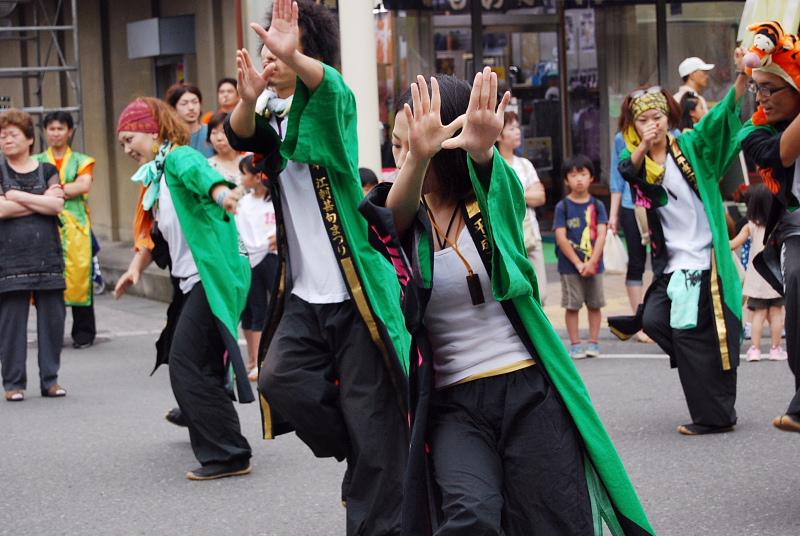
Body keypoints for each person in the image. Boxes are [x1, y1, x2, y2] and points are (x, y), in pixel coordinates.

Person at [361, 68, 654, 535]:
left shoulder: (493, 192)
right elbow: (382, 227)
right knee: (470, 516)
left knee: (553, 519)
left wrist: (481, 151)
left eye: (410, 142)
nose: (399, 155)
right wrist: (417, 155)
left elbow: (504, 204)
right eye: (397, 145)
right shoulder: (404, 216)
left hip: (527, 390)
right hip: (454, 404)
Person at [225, 1, 410, 532]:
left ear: (309, 53)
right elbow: (245, 134)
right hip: (305, 293)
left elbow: (334, 90)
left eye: (285, 47)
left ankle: (374, 474)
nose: (272, 57)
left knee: (375, 433)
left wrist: (297, 60)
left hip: (358, 292)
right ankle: (362, 447)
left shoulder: (336, 101)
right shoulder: (272, 112)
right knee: (280, 379)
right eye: (267, 49)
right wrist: (247, 98)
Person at [114, 97, 254, 480]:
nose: (127, 149)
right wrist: (133, 268)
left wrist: (223, 194)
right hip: (193, 281)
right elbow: (154, 238)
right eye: (123, 143)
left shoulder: (177, 158)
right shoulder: (157, 176)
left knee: (186, 364)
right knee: (199, 364)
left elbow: (202, 174)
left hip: (213, 276)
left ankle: (228, 452)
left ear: (152, 129)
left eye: (130, 139)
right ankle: (224, 442)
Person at [612, 48, 748, 436]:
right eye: (642, 119)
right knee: (655, 321)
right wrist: (641, 145)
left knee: (706, 339)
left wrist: (741, 78)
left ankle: (714, 417)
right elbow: (634, 178)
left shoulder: (689, 147)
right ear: (633, 126)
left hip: (707, 262)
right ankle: (702, 377)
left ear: (668, 116)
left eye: (656, 116)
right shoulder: (638, 161)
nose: (651, 124)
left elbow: (719, 123)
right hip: (673, 267)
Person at [737, 24, 800, 432]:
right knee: (798, 280)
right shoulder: (755, 131)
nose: (760, 98)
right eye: (756, 89)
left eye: (769, 89)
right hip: (798, 227)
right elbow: (783, 152)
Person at [0, 109, 66, 402]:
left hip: (47, 256)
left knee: (53, 321)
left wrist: (16, 197)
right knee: (11, 324)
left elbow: (58, 207)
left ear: (29, 138)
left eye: (12, 134)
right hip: (9, 260)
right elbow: (0, 210)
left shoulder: (47, 169)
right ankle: (13, 383)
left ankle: (50, 380)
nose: (6, 140)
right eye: (2, 136)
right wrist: (40, 201)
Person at [34, 111, 97, 349]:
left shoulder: (82, 159)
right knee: (47, 278)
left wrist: (50, 191)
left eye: (61, 128)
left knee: (81, 275)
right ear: (44, 132)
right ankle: (51, 333)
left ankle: (83, 332)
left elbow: (84, 185)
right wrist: (63, 189)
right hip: (46, 223)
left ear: (70, 131)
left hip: (76, 225)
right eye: (51, 128)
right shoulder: (37, 159)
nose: (56, 133)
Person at [553, 155, 607, 359]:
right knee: (572, 305)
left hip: (595, 266)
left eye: (583, 174)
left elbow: (602, 234)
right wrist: (577, 263)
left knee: (595, 304)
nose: (579, 179)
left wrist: (592, 262)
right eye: (573, 175)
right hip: (569, 267)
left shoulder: (598, 205)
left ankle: (594, 342)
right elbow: (560, 236)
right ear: (566, 180)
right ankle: (575, 344)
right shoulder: (562, 207)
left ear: (591, 177)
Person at [729, 183, 786, 362]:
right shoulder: (780, 225)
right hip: (776, 276)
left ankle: (755, 349)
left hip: (757, 279)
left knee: (758, 315)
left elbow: (733, 244)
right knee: (777, 313)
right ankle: (776, 349)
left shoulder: (750, 226)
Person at [496, 111, 548, 302]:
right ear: (499, 135)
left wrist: (512, 195)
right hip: (506, 239)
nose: (518, 132)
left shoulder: (524, 164)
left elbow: (540, 196)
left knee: (540, 294)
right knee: (516, 296)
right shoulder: (493, 164)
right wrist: (525, 195)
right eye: (512, 128)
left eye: (518, 127)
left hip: (531, 236)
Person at [235, 154, 277, 381]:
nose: (242, 178)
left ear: (259, 176)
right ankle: (254, 360)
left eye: (245, 173)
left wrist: (277, 237)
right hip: (249, 260)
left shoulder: (276, 201)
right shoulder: (244, 203)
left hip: (272, 258)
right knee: (252, 311)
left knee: (271, 309)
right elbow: (239, 233)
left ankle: (263, 360)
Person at [609, 131, 651, 342]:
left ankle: (662, 321)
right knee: (636, 263)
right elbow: (617, 179)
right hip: (630, 204)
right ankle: (640, 323)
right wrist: (613, 216)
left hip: (659, 203)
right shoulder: (621, 138)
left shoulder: (673, 134)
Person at [165, 84, 215, 157]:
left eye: (195, 102)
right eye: (184, 103)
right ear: (173, 108)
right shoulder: (168, 136)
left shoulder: (212, 132)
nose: (191, 107)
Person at [206, 111, 243, 184]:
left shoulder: (250, 160)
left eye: (224, 132)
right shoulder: (208, 166)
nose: (219, 138)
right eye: (214, 133)